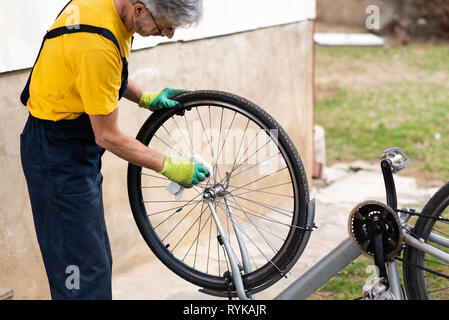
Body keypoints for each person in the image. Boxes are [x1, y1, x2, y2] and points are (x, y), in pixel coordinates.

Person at [19, 0, 206, 300]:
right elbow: (108, 136)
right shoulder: (97, 44)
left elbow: (100, 76)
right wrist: (169, 165)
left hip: (69, 147)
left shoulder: (108, 9)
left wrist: (145, 97)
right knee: (80, 276)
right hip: (56, 154)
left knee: (94, 262)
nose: (169, 34)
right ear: (141, 9)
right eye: (166, 27)